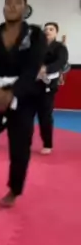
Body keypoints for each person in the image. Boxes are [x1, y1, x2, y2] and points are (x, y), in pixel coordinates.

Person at [0, 0, 46, 207]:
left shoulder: (35, 35)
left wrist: (13, 93)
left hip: (23, 98)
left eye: (17, 3)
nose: (12, 6)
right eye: (8, 3)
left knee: (20, 147)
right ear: (3, 7)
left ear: (25, 8)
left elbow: (33, 68)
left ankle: (14, 190)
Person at [35, 22, 69, 155]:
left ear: (56, 33)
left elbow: (61, 62)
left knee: (45, 115)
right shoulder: (37, 47)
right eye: (45, 29)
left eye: (51, 29)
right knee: (25, 114)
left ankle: (47, 143)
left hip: (48, 85)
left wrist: (46, 69)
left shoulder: (60, 47)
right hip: (32, 84)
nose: (47, 31)